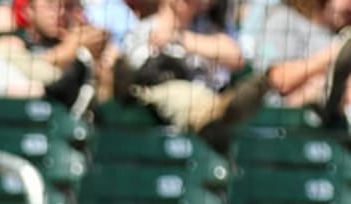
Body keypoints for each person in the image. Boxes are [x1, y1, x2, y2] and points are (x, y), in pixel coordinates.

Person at [114, 0, 351, 148]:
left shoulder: (211, 30)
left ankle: (233, 106)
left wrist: (179, 39)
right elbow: (138, 72)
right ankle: (230, 108)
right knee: (183, 95)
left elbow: (235, 56)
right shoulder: (146, 27)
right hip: (164, 95)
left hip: (218, 104)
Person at [255, 0, 351, 111]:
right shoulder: (283, 19)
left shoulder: (337, 30)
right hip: (278, 121)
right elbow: (278, 80)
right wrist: (336, 54)